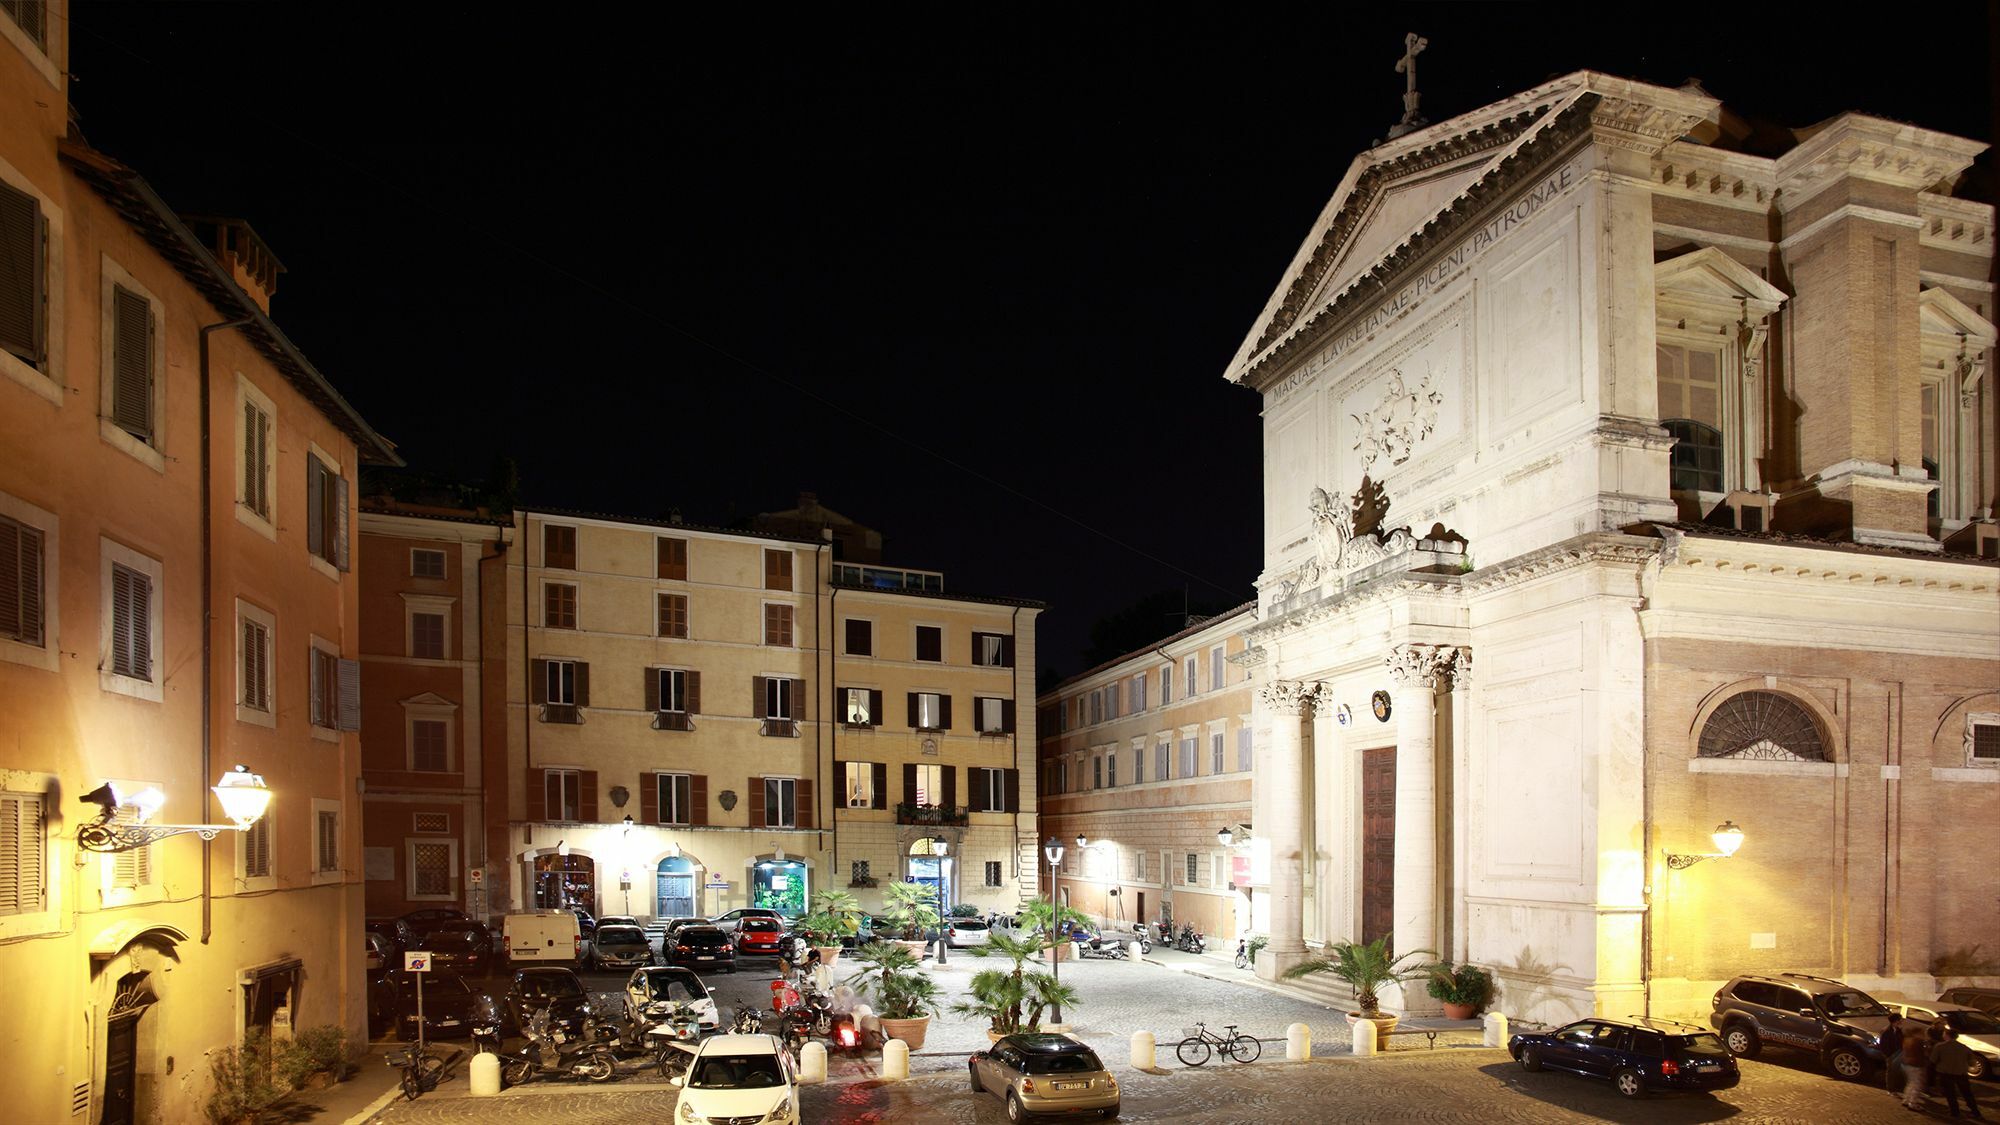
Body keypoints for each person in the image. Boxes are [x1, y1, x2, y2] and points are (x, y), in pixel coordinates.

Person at [1929, 1027, 1989, 1120]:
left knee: (1950, 1093)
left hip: (1946, 1073)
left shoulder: (1940, 1046)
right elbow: (1972, 1062)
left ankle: (1954, 1112)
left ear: (1946, 1035)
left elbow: (1933, 1060)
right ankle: (1975, 1112)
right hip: (1961, 1073)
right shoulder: (1964, 1047)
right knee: (1967, 1094)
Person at [1904, 1019, 1934, 1111]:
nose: (1924, 1035)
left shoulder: (1907, 1040)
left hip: (1908, 1063)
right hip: (1916, 1064)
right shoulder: (1918, 1042)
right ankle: (1912, 1103)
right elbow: (1925, 1053)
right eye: (1922, 1033)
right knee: (1917, 1084)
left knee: (1911, 1083)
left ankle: (1906, 1099)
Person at [1882, 1011, 1906, 1093]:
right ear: (1895, 1021)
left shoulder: (1898, 1030)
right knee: (1891, 1073)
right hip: (1892, 1055)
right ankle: (1890, 1089)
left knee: (1899, 1072)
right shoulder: (1887, 1032)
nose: (1902, 1021)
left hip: (1899, 1054)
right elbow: (1884, 1045)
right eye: (1900, 1019)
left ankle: (1899, 1088)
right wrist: (1889, 1055)